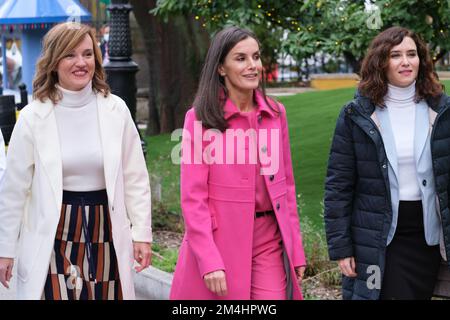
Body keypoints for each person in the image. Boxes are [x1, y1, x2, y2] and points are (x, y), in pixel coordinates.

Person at [0, 22, 152, 300]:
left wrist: (142, 233)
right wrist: (5, 250)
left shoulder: (116, 109)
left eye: (87, 54)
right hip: (54, 234)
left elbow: (135, 178)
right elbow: (13, 192)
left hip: (105, 228)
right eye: (70, 55)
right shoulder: (33, 117)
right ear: (53, 62)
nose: (81, 62)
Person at [169, 26, 306, 300]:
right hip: (221, 240)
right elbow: (193, 198)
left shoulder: (276, 114)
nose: (253, 65)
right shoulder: (199, 120)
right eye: (241, 58)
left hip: (268, 240)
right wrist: (208, 259)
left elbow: (286, 188)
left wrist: (296, 249)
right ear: (221, 68)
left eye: (255, 57)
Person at [324, 26, 450, 300]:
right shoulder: (356, 115)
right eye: (396, 55)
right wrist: (341, 247)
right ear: (381, 62)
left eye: (412, 54)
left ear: (422, 59)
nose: (406, 62)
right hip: (377, 237)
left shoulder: (441, 110)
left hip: (426, 237)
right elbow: (338, 186)